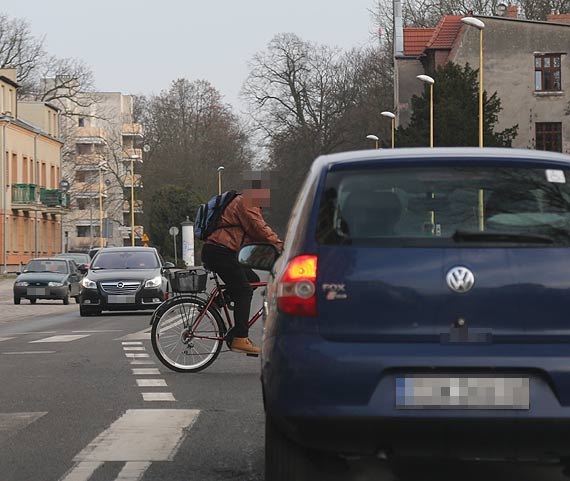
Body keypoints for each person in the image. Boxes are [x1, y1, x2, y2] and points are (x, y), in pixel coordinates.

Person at [201, 175, 283, 355]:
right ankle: (240, 338)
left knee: (252, 280)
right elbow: (259, 228)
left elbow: (251, 233)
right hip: (220, 252)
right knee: (244, 290)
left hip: (221, 251)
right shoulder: (247, 203)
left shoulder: (243, 202)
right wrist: (281, 246)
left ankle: (215, 305)